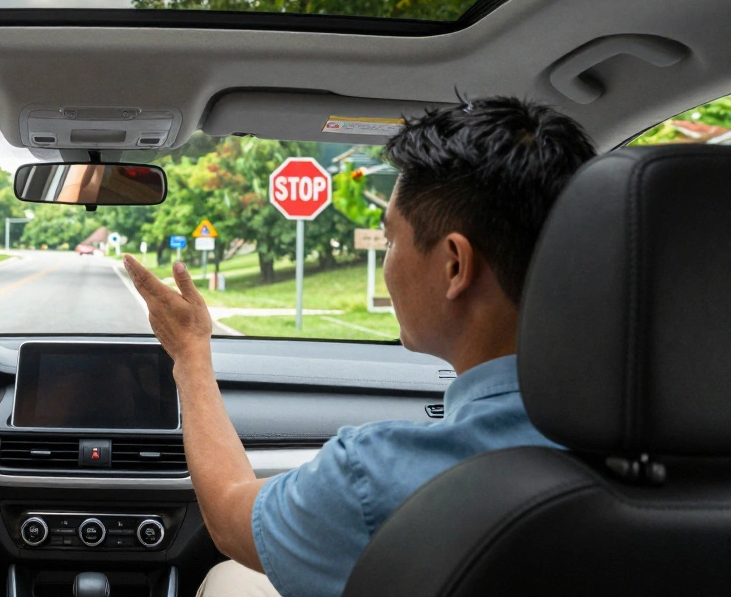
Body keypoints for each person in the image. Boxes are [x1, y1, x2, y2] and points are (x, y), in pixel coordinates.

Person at [122, 97, 597, 597]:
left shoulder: (381, 476)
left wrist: (191, 353)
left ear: (455, 265)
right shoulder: (667, 438)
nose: (388, 261)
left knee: (229, 579)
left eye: (391, 240)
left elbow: (227, 514)